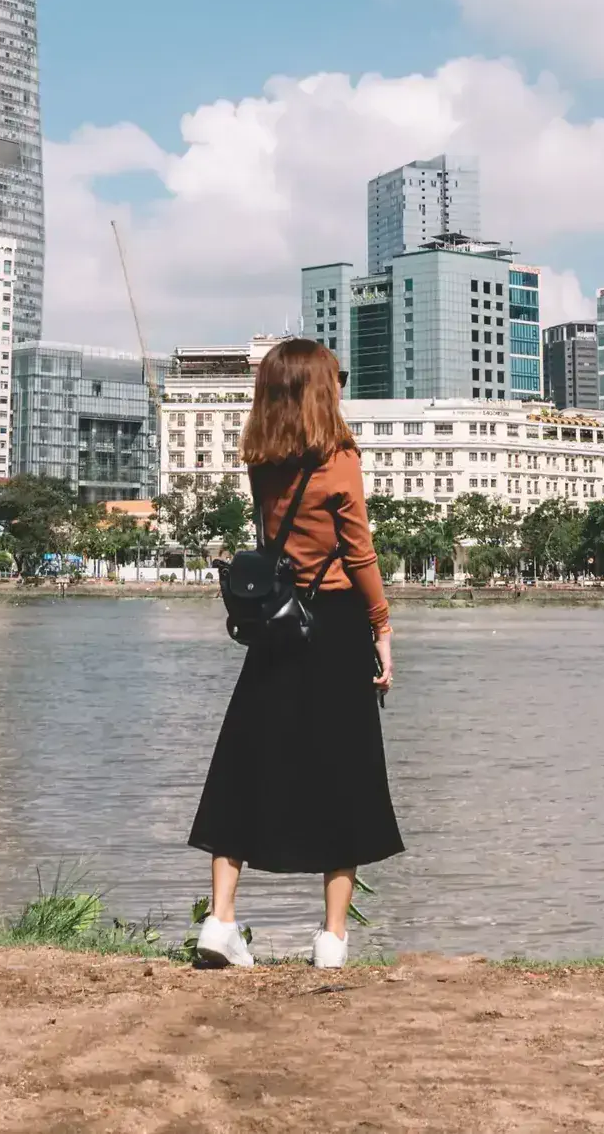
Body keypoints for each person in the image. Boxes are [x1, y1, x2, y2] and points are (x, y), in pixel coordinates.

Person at [186, 336, 401, 968]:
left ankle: (219, 922)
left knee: (245, 763)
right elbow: (359, 554)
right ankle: (332, 938)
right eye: (334, 379)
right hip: (332, 624)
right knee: (347, 770)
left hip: (277, 624)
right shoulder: (339, 459)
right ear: (320, 389)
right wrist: (382, 626)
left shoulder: (262, 460)